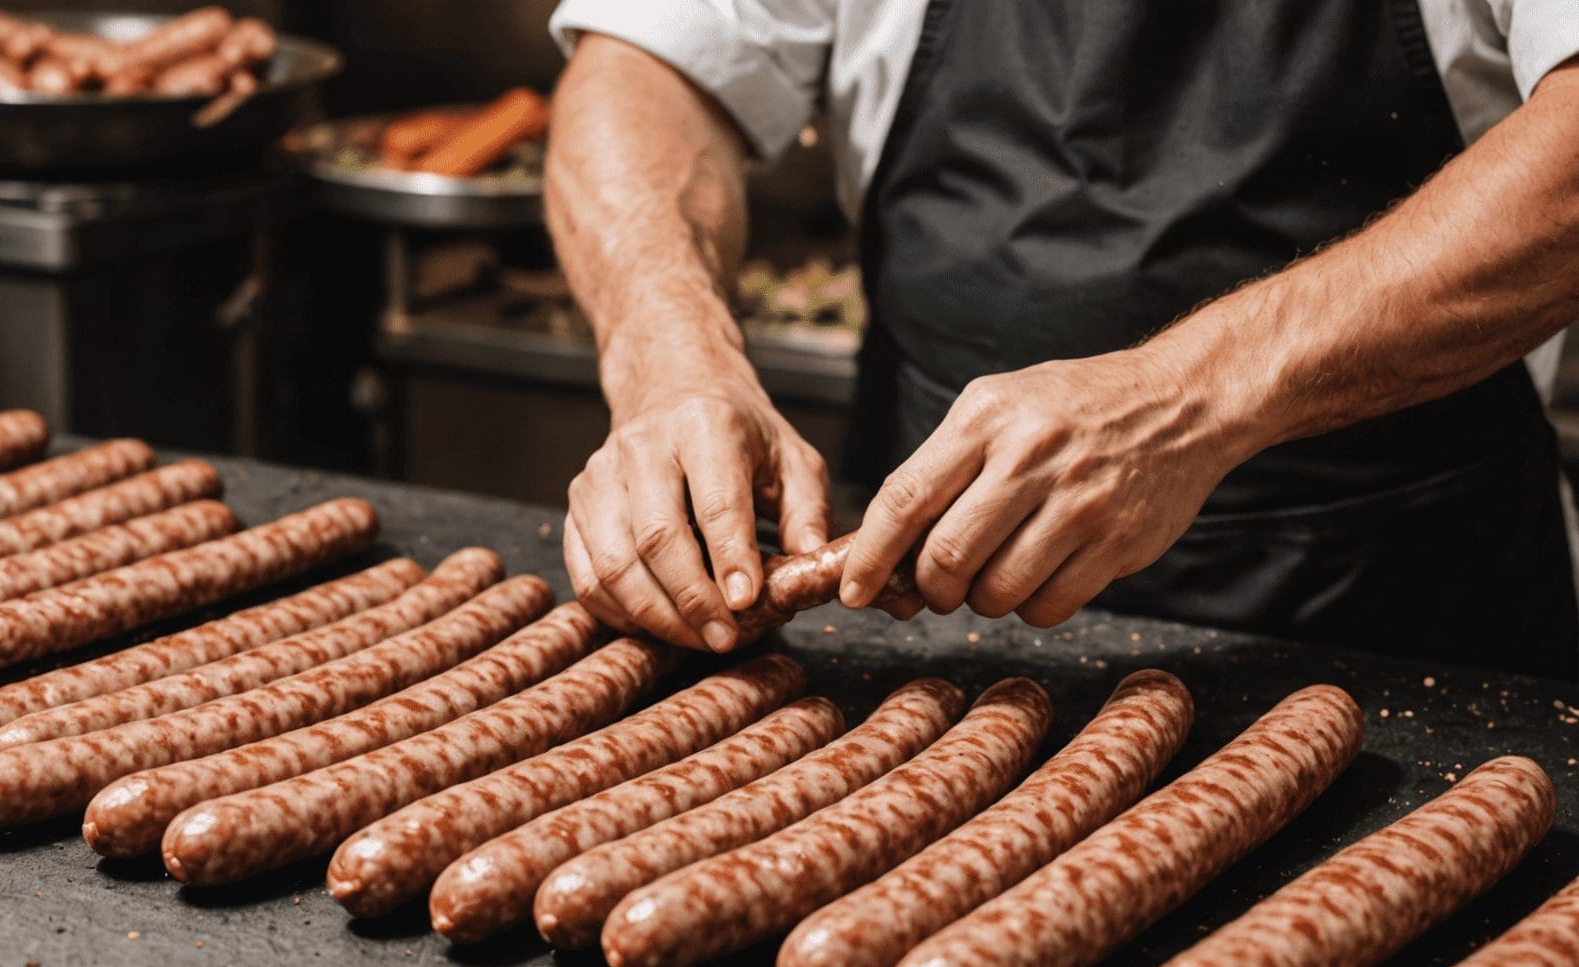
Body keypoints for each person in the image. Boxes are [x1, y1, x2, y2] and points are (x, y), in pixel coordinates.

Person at [544, 1, 1579, 679]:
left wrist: (1190, 400)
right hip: (923, 619)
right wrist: (669, 356)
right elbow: (646, 71)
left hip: (1386, 622)